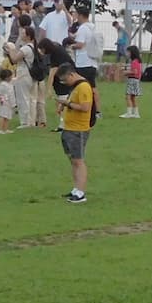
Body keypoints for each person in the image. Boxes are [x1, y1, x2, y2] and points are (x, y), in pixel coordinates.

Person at [54, 63, 93, 203]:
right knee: (73, 160)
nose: (64, 83)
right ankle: (75, 189)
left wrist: (67, 104)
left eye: (65, 80)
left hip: (79, 129)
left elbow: (85, 107)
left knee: (79, 160)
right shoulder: (75, 87)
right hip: (69, 127)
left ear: (71, 74)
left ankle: (81, 192)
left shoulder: (83, 87)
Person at [69, 0, 98, 87]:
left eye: (77, 14)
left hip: (83, 62)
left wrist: (71, 46)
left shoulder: (82, 28)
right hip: (92, 61)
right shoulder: (92, 27)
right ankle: (95, 101)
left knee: (82, 85)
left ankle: (85, 100)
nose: (76, 17)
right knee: (92, 86)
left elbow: (80, 45)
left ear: (81, 15)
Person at [122, 46, 143, 118]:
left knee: (128, 97)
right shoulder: (138, 61)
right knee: (133, 98)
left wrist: (126, 72)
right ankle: (136, 113)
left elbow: (134, 72)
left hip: (132, 80)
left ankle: (129, 113)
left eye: (128, 52)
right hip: (136, 80)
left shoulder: (134, 62)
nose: (127, 54)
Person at [0, 66, 17, 134]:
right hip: (4, 102)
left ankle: (5, 129)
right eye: (11, 76)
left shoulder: (9, 84)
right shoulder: (2, 85)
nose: (11, 77)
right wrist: (2, 100)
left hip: (9, 103)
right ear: (7, 77)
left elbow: (15, 80)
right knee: (2, 116)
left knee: (8, 116)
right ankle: (0, 129)